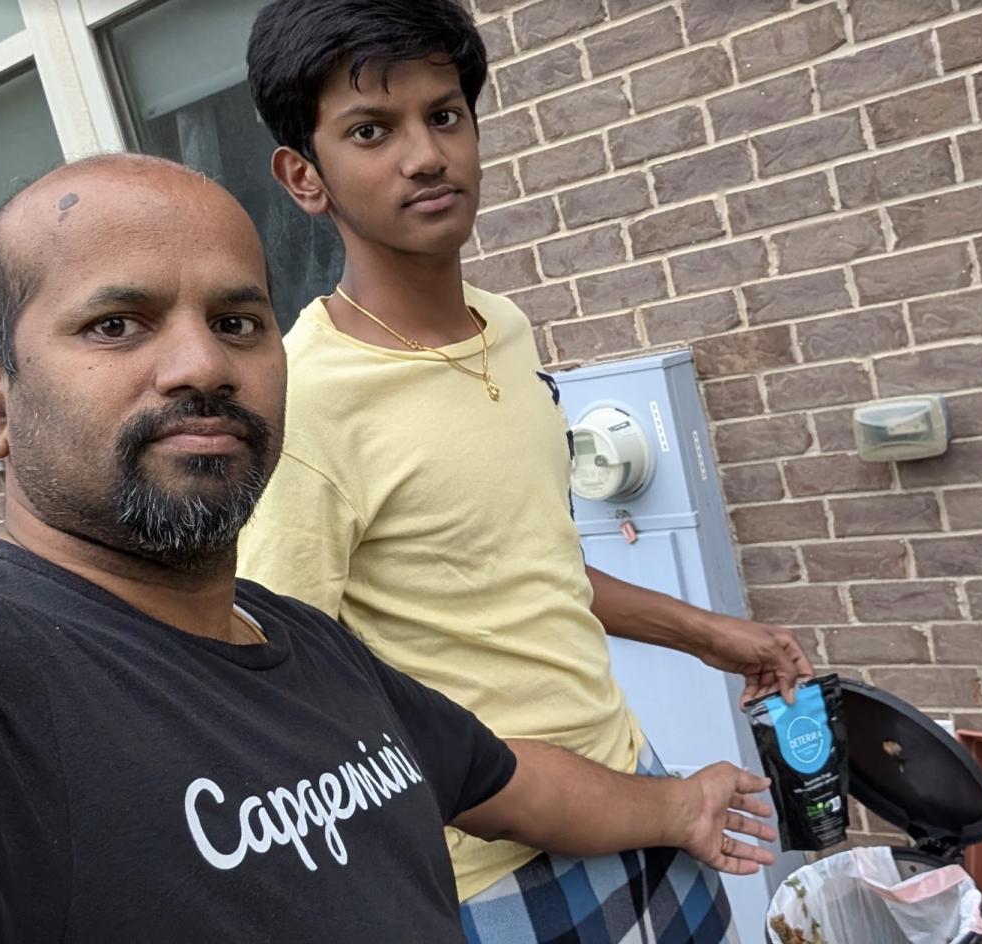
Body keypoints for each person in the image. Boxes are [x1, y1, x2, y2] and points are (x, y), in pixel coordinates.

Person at [0, 153, 777, 943]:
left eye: (236, 322)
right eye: (117, 324)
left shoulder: (305, 644)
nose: (203, 364)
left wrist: (682, 807)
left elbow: (504, 781)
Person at [237, 1, 815, 939]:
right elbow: (289, 697)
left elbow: (527, 562)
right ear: (305, 175)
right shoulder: (304, 406)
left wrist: (706, 633)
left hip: (634, 781)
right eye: (372, 131)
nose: (426, 155)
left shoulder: (502, 327)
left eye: (445, 115)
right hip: (493, 874)